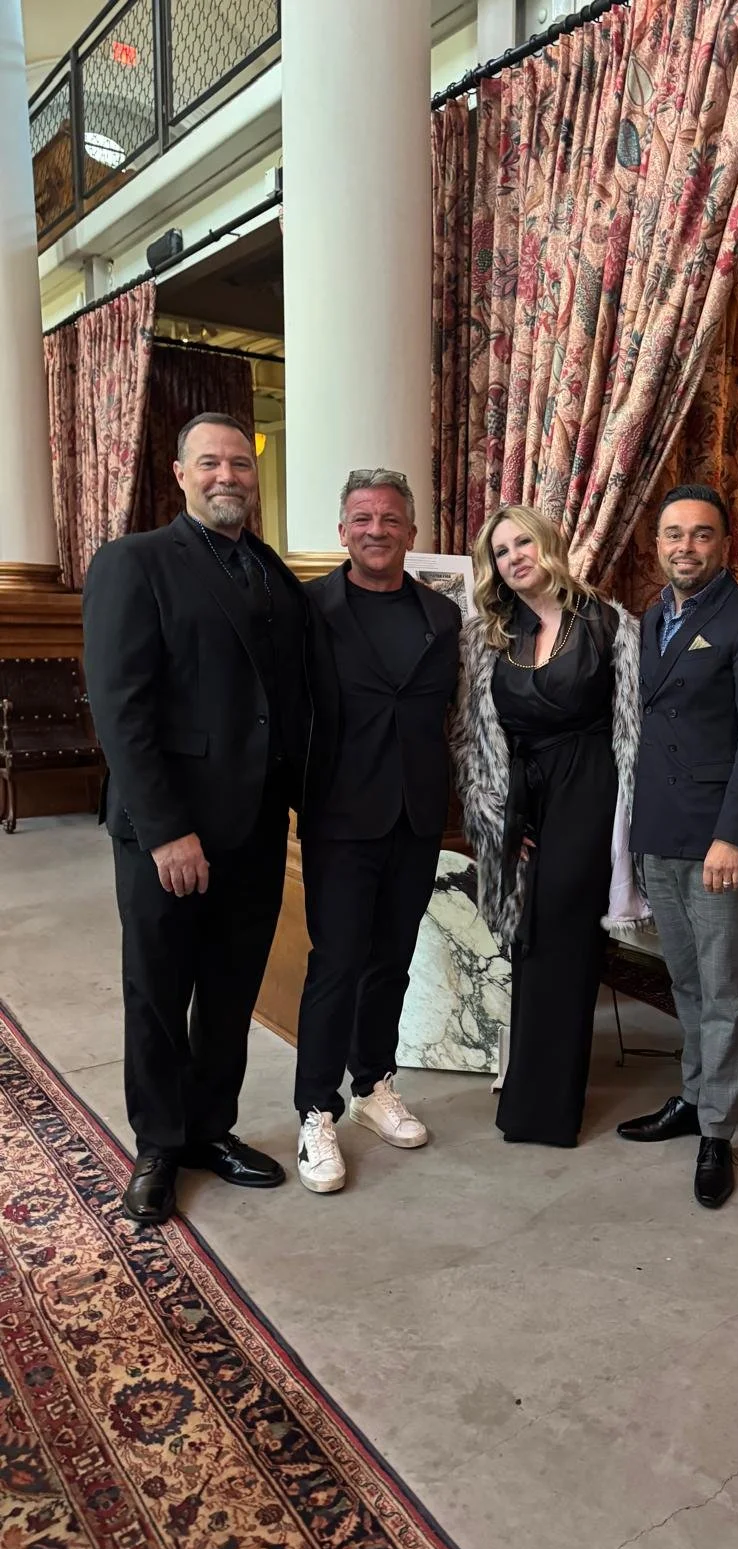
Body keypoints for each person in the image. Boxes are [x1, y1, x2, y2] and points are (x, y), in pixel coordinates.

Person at [82, 412, 322, 1226]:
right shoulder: (134, 562)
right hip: (170, 831)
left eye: (240, 465)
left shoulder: (274, 573)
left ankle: (211, 1128)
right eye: (210, 463)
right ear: (178, 473)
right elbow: (122, 710)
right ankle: (158, 1145)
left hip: (256, 824)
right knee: (157, 988)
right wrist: (165, 829)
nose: (228, 476)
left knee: (229, 989)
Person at [452, 505, 644, 1148]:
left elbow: (629, 729)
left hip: (588, 789)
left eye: (522, 543)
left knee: (563, 936)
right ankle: (529, 1095)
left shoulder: (607, 623)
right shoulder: (491, 632)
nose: (514, 558)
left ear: (549, 543)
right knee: (529, 937)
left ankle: (550, 1108)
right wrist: (504, 815)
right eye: (502, 552)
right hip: (520, 799)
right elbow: (479, 738)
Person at [293, 469, 461, 1194]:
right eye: (362, 518)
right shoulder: (310, 610)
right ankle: (315, 1111)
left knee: (392, 960)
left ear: (412, 534)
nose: (376, 530)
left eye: (390, 519)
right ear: (342, 532)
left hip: (417, 815)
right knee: (336, 964)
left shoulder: (442, 616)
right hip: (339, 816)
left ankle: (372, 1087)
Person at [618, 485, 738, 1209]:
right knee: (683, 981)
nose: (685, 546)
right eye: (673, 534)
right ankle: (691, 1097)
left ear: (727, 544)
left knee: (722, 989)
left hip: (719, 840)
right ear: (657, 543)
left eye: (701, 535)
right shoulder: (654, 615)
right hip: (659, 832)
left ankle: (716, 1129)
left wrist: (735, 836)